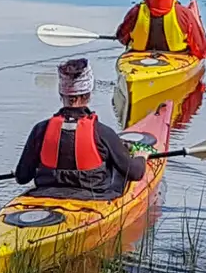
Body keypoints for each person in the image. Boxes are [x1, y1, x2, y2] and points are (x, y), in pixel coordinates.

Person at [15, 57, 147, 200]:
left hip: (45, 195)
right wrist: (142, 157)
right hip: (92, 201)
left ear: (61, 93)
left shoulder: (40, 130)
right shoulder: (102, 132)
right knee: (117, 170)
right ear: (89, 94)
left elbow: (22, 177)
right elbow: (135, 173)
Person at [116, 0, 206, 58]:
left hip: (139, 61)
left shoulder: (135, 12)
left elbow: (122, 38)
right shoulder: (184, 14)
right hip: (177, 61)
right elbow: (201, 50)